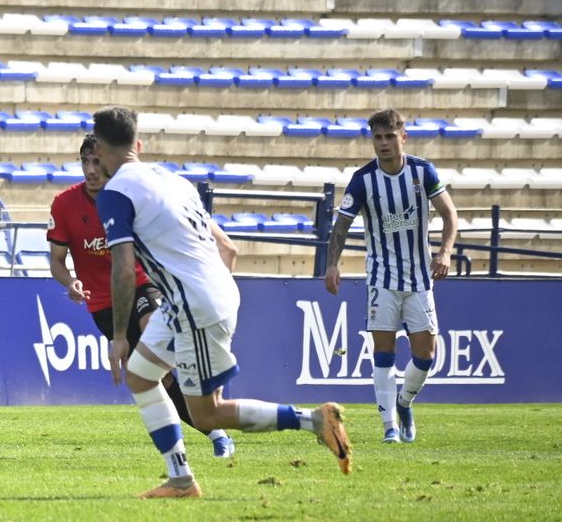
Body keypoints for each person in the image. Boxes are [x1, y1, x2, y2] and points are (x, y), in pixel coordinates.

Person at [91, 106, 352, 498]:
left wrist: (118, 336)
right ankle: (180, 478)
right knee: (141, 376)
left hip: (193, 303)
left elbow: (125, 271)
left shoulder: (115, 195)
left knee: (207, 412)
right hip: (197, 295)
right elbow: (224, 245)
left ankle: (315, 421)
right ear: (138, 145)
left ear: (98, 148)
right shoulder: (173, 179)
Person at [48, 134, 237, 458]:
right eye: (85, 162)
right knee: (158, 378)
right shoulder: (65, 204)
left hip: (140, 284)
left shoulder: (130, 197)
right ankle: (215, 434)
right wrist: (71, 281)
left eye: (97, 162)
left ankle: (198, 364)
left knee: (154, 331)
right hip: (103, 303)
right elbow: (56, 261)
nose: (91, 170)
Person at [324, 109, 458, 443]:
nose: (383, 143)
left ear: (403, 137)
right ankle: (389, 428)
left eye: (389, 136)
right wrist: (332, 264)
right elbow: (341, 226)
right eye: (377, 137)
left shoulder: (422, 172)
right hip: (381, 279)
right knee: (383, 354)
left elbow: (449, 214)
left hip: (419, 279)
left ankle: (404, 402)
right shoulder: (363, 179)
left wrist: (445, 252)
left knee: (425, 356)